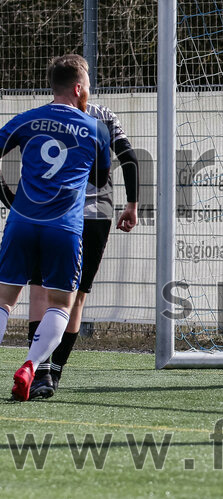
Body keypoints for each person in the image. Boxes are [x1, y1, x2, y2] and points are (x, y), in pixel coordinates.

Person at [0, 55, 111, 401]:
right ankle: (32, 366)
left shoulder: (28, 119)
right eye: (88, 86)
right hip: (63, 228)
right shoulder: (95, 129)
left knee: (3, 300)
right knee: (61, 304)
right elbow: (101, 179)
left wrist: (5, 194)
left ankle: (32, 366)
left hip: (21, 221)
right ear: (78, 89)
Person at [23, 101, 140, 399]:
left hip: (51, 212)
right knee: (76, 296)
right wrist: (132, 204)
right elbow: (128, 157)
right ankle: (54, 373)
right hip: (95, 215)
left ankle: (39, 372)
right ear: (80, 86)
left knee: (40, 291)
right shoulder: (103, 116)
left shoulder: (43, 116)